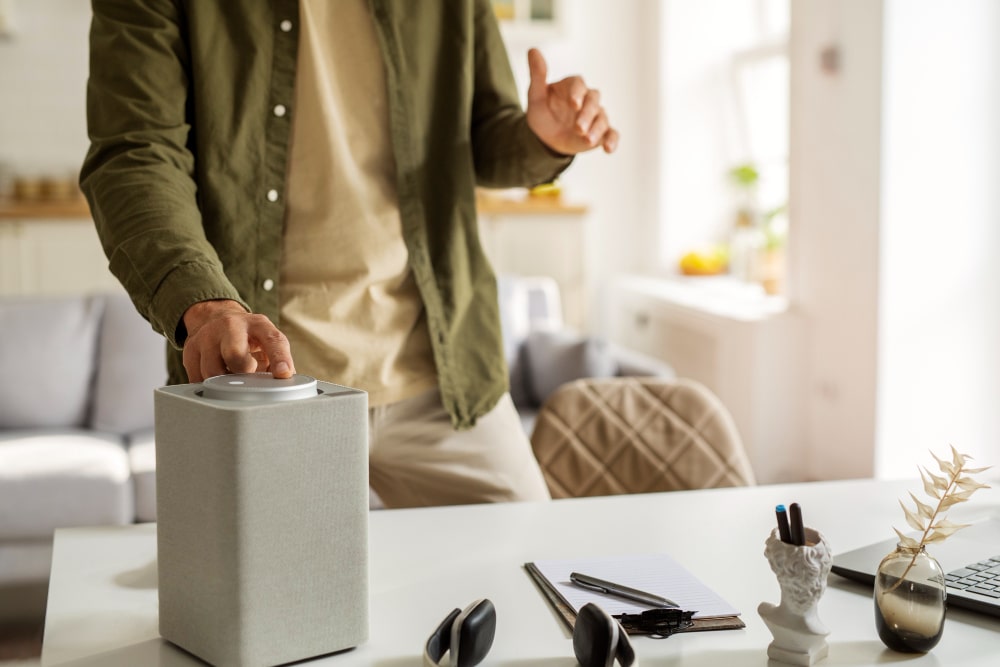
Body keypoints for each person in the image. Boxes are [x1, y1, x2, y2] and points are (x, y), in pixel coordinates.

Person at [81, 0, 618, 508]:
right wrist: (208, 305)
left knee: (527, 581)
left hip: (443, 374)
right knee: (253, 604)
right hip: (257, 384)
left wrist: (540, 140)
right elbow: (136, 153)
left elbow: (483, 137)